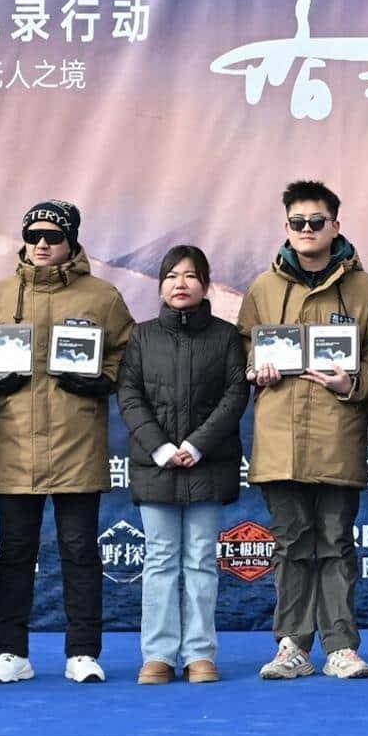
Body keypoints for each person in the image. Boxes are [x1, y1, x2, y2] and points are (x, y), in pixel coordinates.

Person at [0, 201, 133, 685]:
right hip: (16, 445)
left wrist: (102, 380)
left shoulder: (103, 296)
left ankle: (82, 652)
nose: (42, 244)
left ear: (72, 241)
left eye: (53, 236)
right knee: (14, 553)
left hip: (76, 443)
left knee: (80, 552)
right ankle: (10, 653)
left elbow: (127, 356)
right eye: (33, 235)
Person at [238, 181, 368, 682]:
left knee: (335, 543)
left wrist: (354, 383)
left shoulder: (366, 291)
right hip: (278, 443)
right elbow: (243, 350)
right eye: (298, 222)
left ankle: (341, 647)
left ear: (335, 226)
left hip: (337, 438)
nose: (307, 230)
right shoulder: (263, 289)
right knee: (291, 545)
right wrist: (254, 370)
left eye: (316, 222)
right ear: (286, 227)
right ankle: (292, 647)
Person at [116, 245, 249, 686]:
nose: (180, 283)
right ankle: (157, 654)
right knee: (160, 560)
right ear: (160, 286)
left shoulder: (226, 337)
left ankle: (199, 653)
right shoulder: (142, 337)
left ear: (205, 285)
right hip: (155, 466)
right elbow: (129, 395)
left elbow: (235, 396)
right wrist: (159, 447)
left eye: (190, 276)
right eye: (172, 276)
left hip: (207, 464)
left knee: (200, 560)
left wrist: (196, 445)